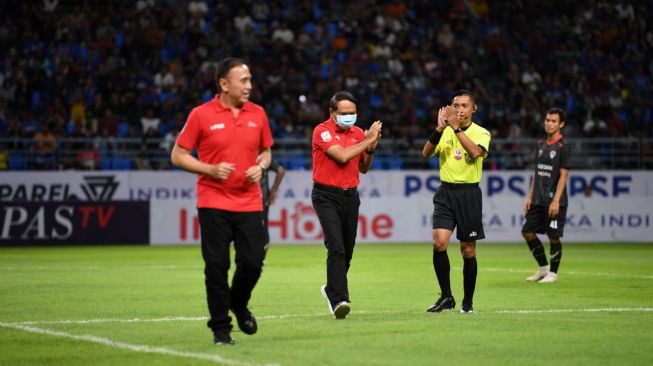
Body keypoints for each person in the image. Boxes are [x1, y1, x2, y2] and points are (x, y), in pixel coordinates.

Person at [171, 57, 273, 345]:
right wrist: (210, 170)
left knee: (253, 263)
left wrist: (262, 166)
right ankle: (221, 330)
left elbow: (266, 152)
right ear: (224, 84)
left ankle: (238, 304)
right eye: (243, 80)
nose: (249, 86)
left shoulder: (258, 114)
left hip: (249, 201)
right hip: (213, 201)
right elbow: (177, 155)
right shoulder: (201, 115)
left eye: (250, 80)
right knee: (216, 267)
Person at [311, 91, 382, 319]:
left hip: (351, 196)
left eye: (352, 113)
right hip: (326, 196)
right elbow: (341, 157)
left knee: (348, 250)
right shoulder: (322, 131)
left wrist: (369, 149)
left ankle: (332, 288)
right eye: (344, 113)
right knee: (337, 247)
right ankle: (340, 298)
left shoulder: (359, 133)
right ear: (332, 113)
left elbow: (364, 168)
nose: (349, 117)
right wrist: (368, 142)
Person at [421, 89, 491, 314]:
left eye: (464, 105)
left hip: (469, 194)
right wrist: (439, 130)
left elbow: (475, 152)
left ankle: (467, 302)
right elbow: (426, 153)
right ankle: (446, 296)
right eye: (455, 105)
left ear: (473, 109)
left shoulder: (482, 133)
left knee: (468, 250)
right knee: (439, 243)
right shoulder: (446, 131)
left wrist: (456, 128)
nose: (459, 109)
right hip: (445, 193)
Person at [522, 108, 570, 283]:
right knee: (527, 231)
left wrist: (556, 200)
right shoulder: (540, 145)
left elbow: (564, 175)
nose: (549, 123)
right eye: (547, 120)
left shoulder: (563, 147)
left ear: (561, 124)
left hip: (555, 201)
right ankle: (543, 268)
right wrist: (529, 196)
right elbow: (537, 173)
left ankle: (553, 273)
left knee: (553, 236)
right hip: (538, 200)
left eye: (553, 121)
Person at [260, 158, 285, 255]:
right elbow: (280, 171)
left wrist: (273, 192)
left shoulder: (262, 157)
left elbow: (280, 171)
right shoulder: (264, 157)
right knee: (262, 228)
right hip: (261, 199)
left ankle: (258, 257)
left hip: (257, 199)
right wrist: (273, 192)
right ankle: (261, 258)